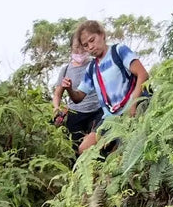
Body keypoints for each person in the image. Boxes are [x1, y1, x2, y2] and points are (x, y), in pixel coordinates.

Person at [62, 20, 150, 153]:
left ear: (102, 34)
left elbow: (143, 74)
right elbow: (79, 97)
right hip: (110, 118)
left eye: (92, 40)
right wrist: (69, 89)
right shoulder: (92, 67)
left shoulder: (119, 50)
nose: (90, 47)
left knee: (128, 150)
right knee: (84, 149)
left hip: (133, 109)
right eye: (86, 45)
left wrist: (133, 104)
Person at [52, 31, 102, 153]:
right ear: (71, 48)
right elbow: (57, 94)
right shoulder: (66, 70)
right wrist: (56, 108)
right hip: (75, 114)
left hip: (97, 111)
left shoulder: (95, 64)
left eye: (82, 47)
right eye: (75, 47)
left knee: (97, 146)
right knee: (74, 150)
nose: (79, 51)